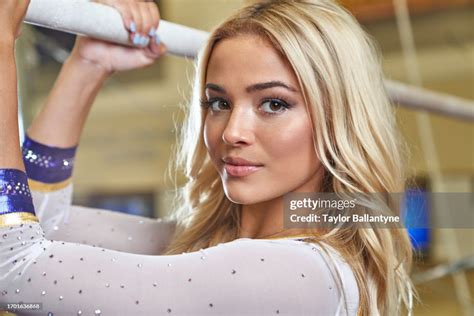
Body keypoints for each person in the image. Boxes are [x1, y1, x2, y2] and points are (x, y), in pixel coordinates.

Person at [0, 0, 414, 315]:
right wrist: (87, 66)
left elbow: (13, 269)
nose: (232, 132)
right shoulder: (215, 245)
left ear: (338, 116)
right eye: (218, 103)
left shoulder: (295, 273)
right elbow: (43, 222)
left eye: (273, 104)